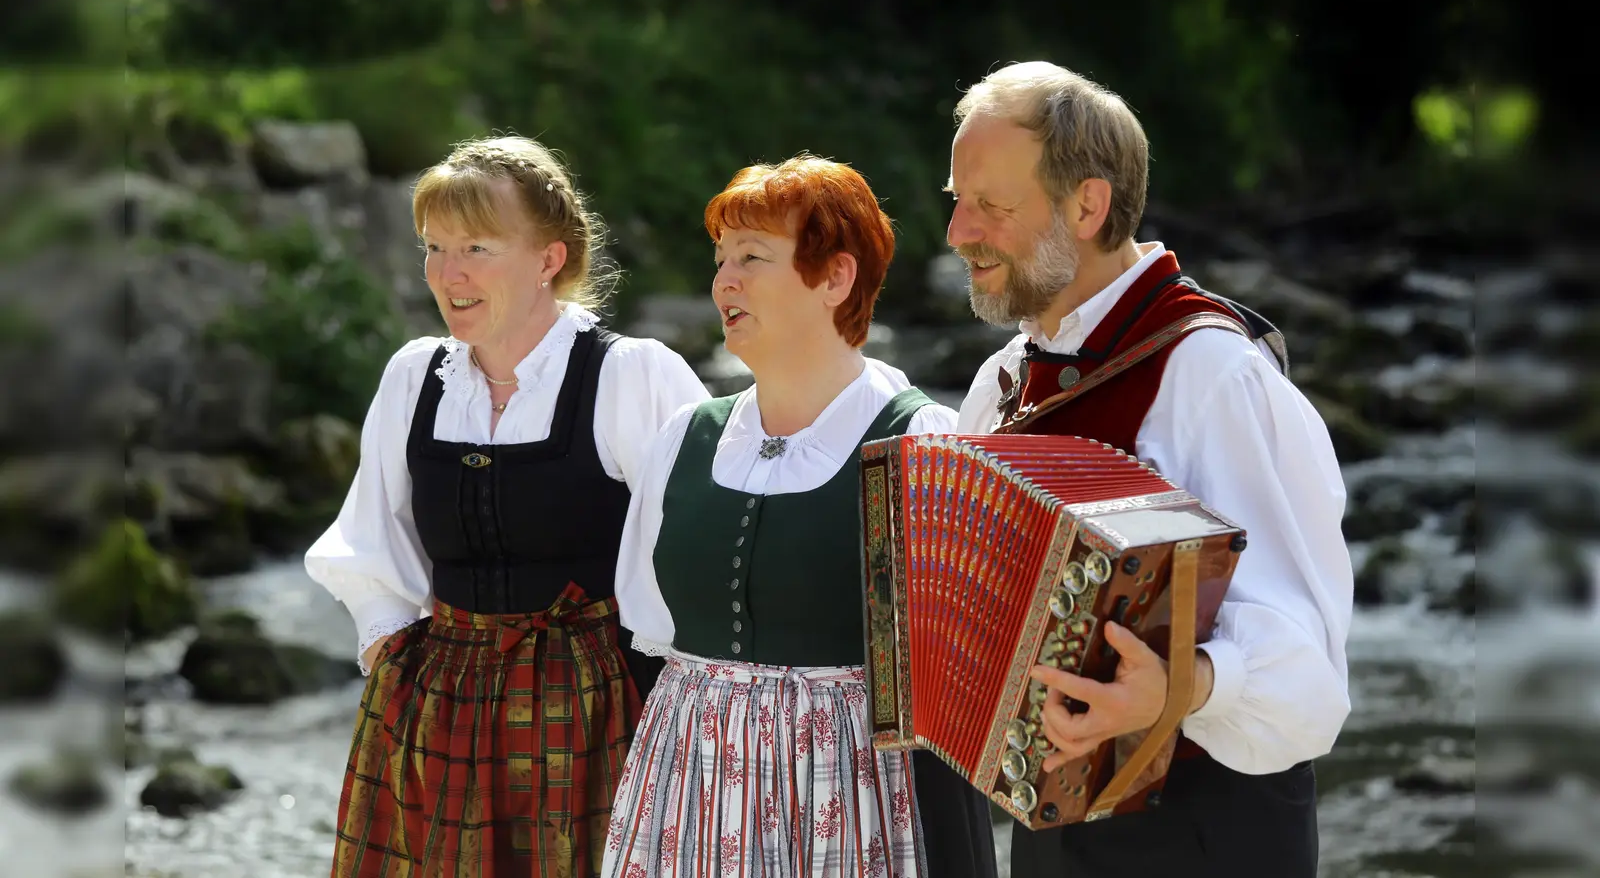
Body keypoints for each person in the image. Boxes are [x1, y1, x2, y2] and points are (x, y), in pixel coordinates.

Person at [946, 62, 1353, 877]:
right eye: (956, 201)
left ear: (1087, 205)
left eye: (992, 206)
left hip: (1209, 837)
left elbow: (1314, 680)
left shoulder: (1216, 377)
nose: (959, 232)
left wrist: (1184, 686)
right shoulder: (1000, 383)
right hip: (1052, 834)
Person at [304, 134, 710, 877]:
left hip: (592, 713)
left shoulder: (628, 376)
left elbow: (701, 547)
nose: (448, 273)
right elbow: (370, 537)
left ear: (549, 259)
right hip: (439, 708)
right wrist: (390, 653)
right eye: (435, 247)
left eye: (478, 248)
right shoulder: (413, 378)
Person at [600, 155, 999, 878]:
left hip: (846, 792)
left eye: (753, 257)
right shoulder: (685, 437)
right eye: (721, 259)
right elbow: (650, 625)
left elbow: (968, 671)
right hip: (690, 775)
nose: (725, 280)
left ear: (835, 278)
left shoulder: (921, 442)